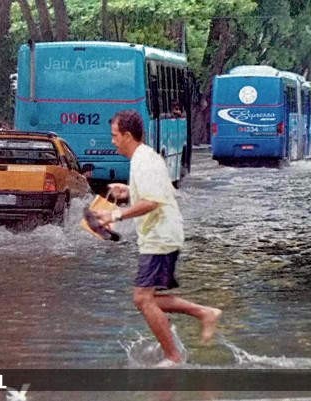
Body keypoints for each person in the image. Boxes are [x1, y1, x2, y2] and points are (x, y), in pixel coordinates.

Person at [93, 109, 222, 366]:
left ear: (127, 135)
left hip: (159, 237)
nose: (112, 141)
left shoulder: (144, 161)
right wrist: (129, 191)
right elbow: (156, 193)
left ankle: (173, 356)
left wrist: (115, 215)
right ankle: (204, 314)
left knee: (142, 298)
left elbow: (151, 202)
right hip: (161, 235)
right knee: (148, 299)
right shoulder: (144, 158)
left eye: (115, 135)